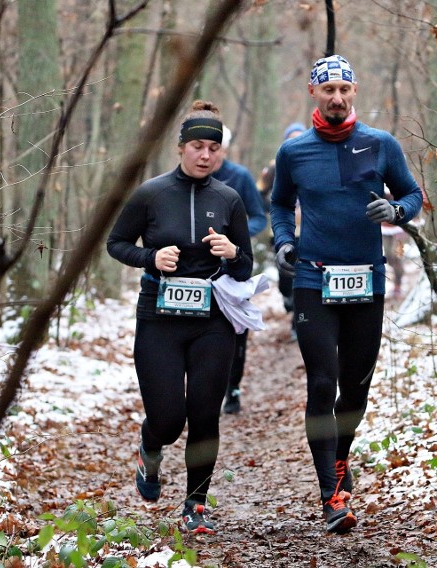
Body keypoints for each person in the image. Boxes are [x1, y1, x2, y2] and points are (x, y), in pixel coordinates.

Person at [270, 55, 423, 534]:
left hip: (366, 278)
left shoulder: (381, 145)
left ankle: (339, 458)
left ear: (354, 91)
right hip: (314, 279)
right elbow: (278, 205)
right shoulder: (294, 153)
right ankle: (331, 494)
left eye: (344, 89)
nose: (337, 98)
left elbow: (413, 195)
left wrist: (396, 209)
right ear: (314, 94)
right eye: (328, 90)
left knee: (356, 385)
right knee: (322, 382)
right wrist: (284, 242)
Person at [106, 100, 253, 534]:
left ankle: (196, 505)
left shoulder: (229, 199)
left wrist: (232, 253)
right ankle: (150, 450)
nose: (205, 155)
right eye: (197, 146)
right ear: (180, 148)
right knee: (169, 418)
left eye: (213, 148)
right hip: (159, 318)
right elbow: (116, 243)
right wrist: (152, 256)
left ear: (221, 153)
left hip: (212, 320)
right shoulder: (151, 193)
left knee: (205, 413)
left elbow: (244, 266)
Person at [212, 126, 267, 415]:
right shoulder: (188, 175)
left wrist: (239, 239)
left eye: (217, 147)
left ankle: (233, 387)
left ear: (226, 148)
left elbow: (258, 217)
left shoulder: (240, 177)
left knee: (236, 329)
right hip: (197, 269)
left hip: (234, 265)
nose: (210, 154)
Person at [258, 122, 307, 341]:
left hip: (307, 232)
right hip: (280, 231)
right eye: (291, 138)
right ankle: (287, 297)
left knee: (302, 278)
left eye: (299, 137)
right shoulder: (274, 166)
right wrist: (277, 207)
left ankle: (299, 322)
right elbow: (258, 195)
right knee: (286, 277)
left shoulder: (313, 163)